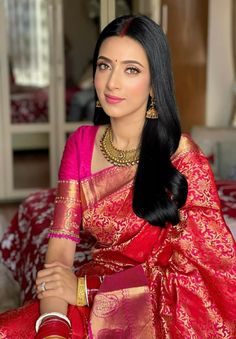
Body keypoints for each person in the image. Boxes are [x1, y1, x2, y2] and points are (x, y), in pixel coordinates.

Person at [0, 14, 235, 339]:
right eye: (104, 65)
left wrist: (84, 291)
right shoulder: (81, 144)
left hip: (156, 303)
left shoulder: (183, 157)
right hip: (93, 282)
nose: (111, 82)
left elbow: (201, 273)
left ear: (155, 82)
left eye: (131, 69)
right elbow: (60, 250)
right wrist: (53, 323)